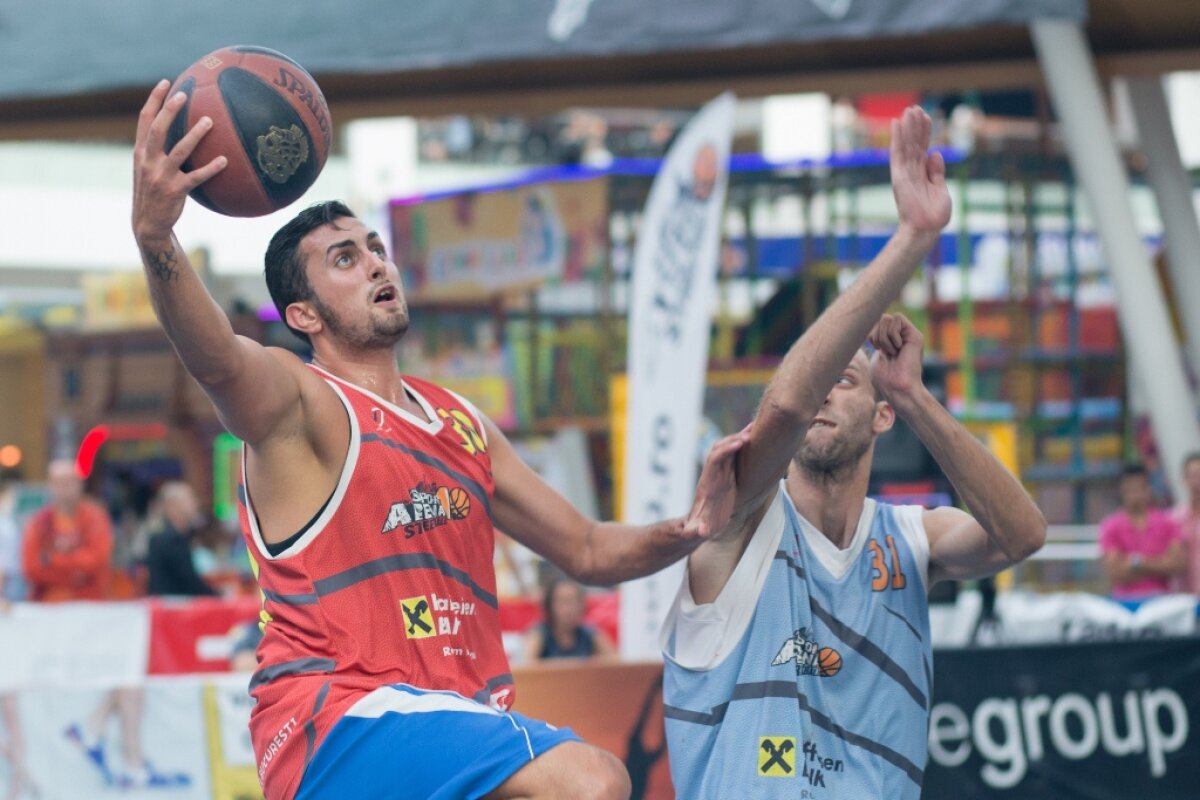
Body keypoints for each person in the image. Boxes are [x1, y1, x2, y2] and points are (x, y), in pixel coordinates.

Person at [131, 80, 744, 800]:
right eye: (345, 260)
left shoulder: (459, 423)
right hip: (336, 722)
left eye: (375, 247)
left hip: (448, 718)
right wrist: (156, 239)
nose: (376, 264)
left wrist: (691, 528)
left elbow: (585, 549)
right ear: (304, 315)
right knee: (592, 779)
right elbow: (218, 360)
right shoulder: (305, 405)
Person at [660, 108, 1048, 799]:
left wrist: (919, 397)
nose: (820, 397)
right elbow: (783, 406)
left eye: (845, 382)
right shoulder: (740, 519)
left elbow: (1022, 534)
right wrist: (912, 239)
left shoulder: (907, 538)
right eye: (817, 380)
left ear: (881, 416)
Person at [21, 459, 112, 603]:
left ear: (80, 484)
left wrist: (52, 560)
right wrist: (73, 574)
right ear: (49, 485)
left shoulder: (95, 518)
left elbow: (96, 560)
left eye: (69, 482)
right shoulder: (38, 522)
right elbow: (31, 567)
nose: (64, 488)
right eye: (59, 483)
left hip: (88, 604)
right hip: (47, 605)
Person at [1099, 463, 1185, 600]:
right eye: (1130, 489)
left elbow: (1177, 565)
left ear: (1147, 489)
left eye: (1138, 488)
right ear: (1122, 489)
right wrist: (1158, 565)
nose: (1135, 494)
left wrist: (1136, 562)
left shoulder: (1167, 523)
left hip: (1161, 601)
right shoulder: (1110, 526)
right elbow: (1114, 572)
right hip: (1124, 601)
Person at [145, 481, 219, 597]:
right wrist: (217, 595)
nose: (195, 504)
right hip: (175, 608)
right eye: (189, 500)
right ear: (172, 506)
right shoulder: (172, 540)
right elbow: (189, 583)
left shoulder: (164, 536)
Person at [523, 575, 616, 662]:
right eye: (562, 602)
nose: (568, 609)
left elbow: (615, 663)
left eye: (573, 602)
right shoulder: (539, 634)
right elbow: (527, 667)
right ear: (550, 605)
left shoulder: (590, 633)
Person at [1170, 452, 1200, 596]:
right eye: (1192, 475)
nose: (1196, 481)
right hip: (1183, 599)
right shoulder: (1173, 518)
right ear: (1184, 479)